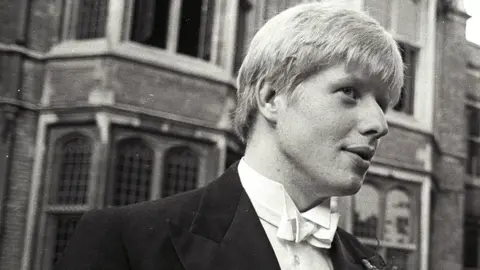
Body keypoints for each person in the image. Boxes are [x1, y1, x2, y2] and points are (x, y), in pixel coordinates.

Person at [54, 1, 403, 269]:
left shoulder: (370, 264)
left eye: (383, 104)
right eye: (349, 92)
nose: (378, 123)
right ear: (271, 98)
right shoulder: (127, 243)